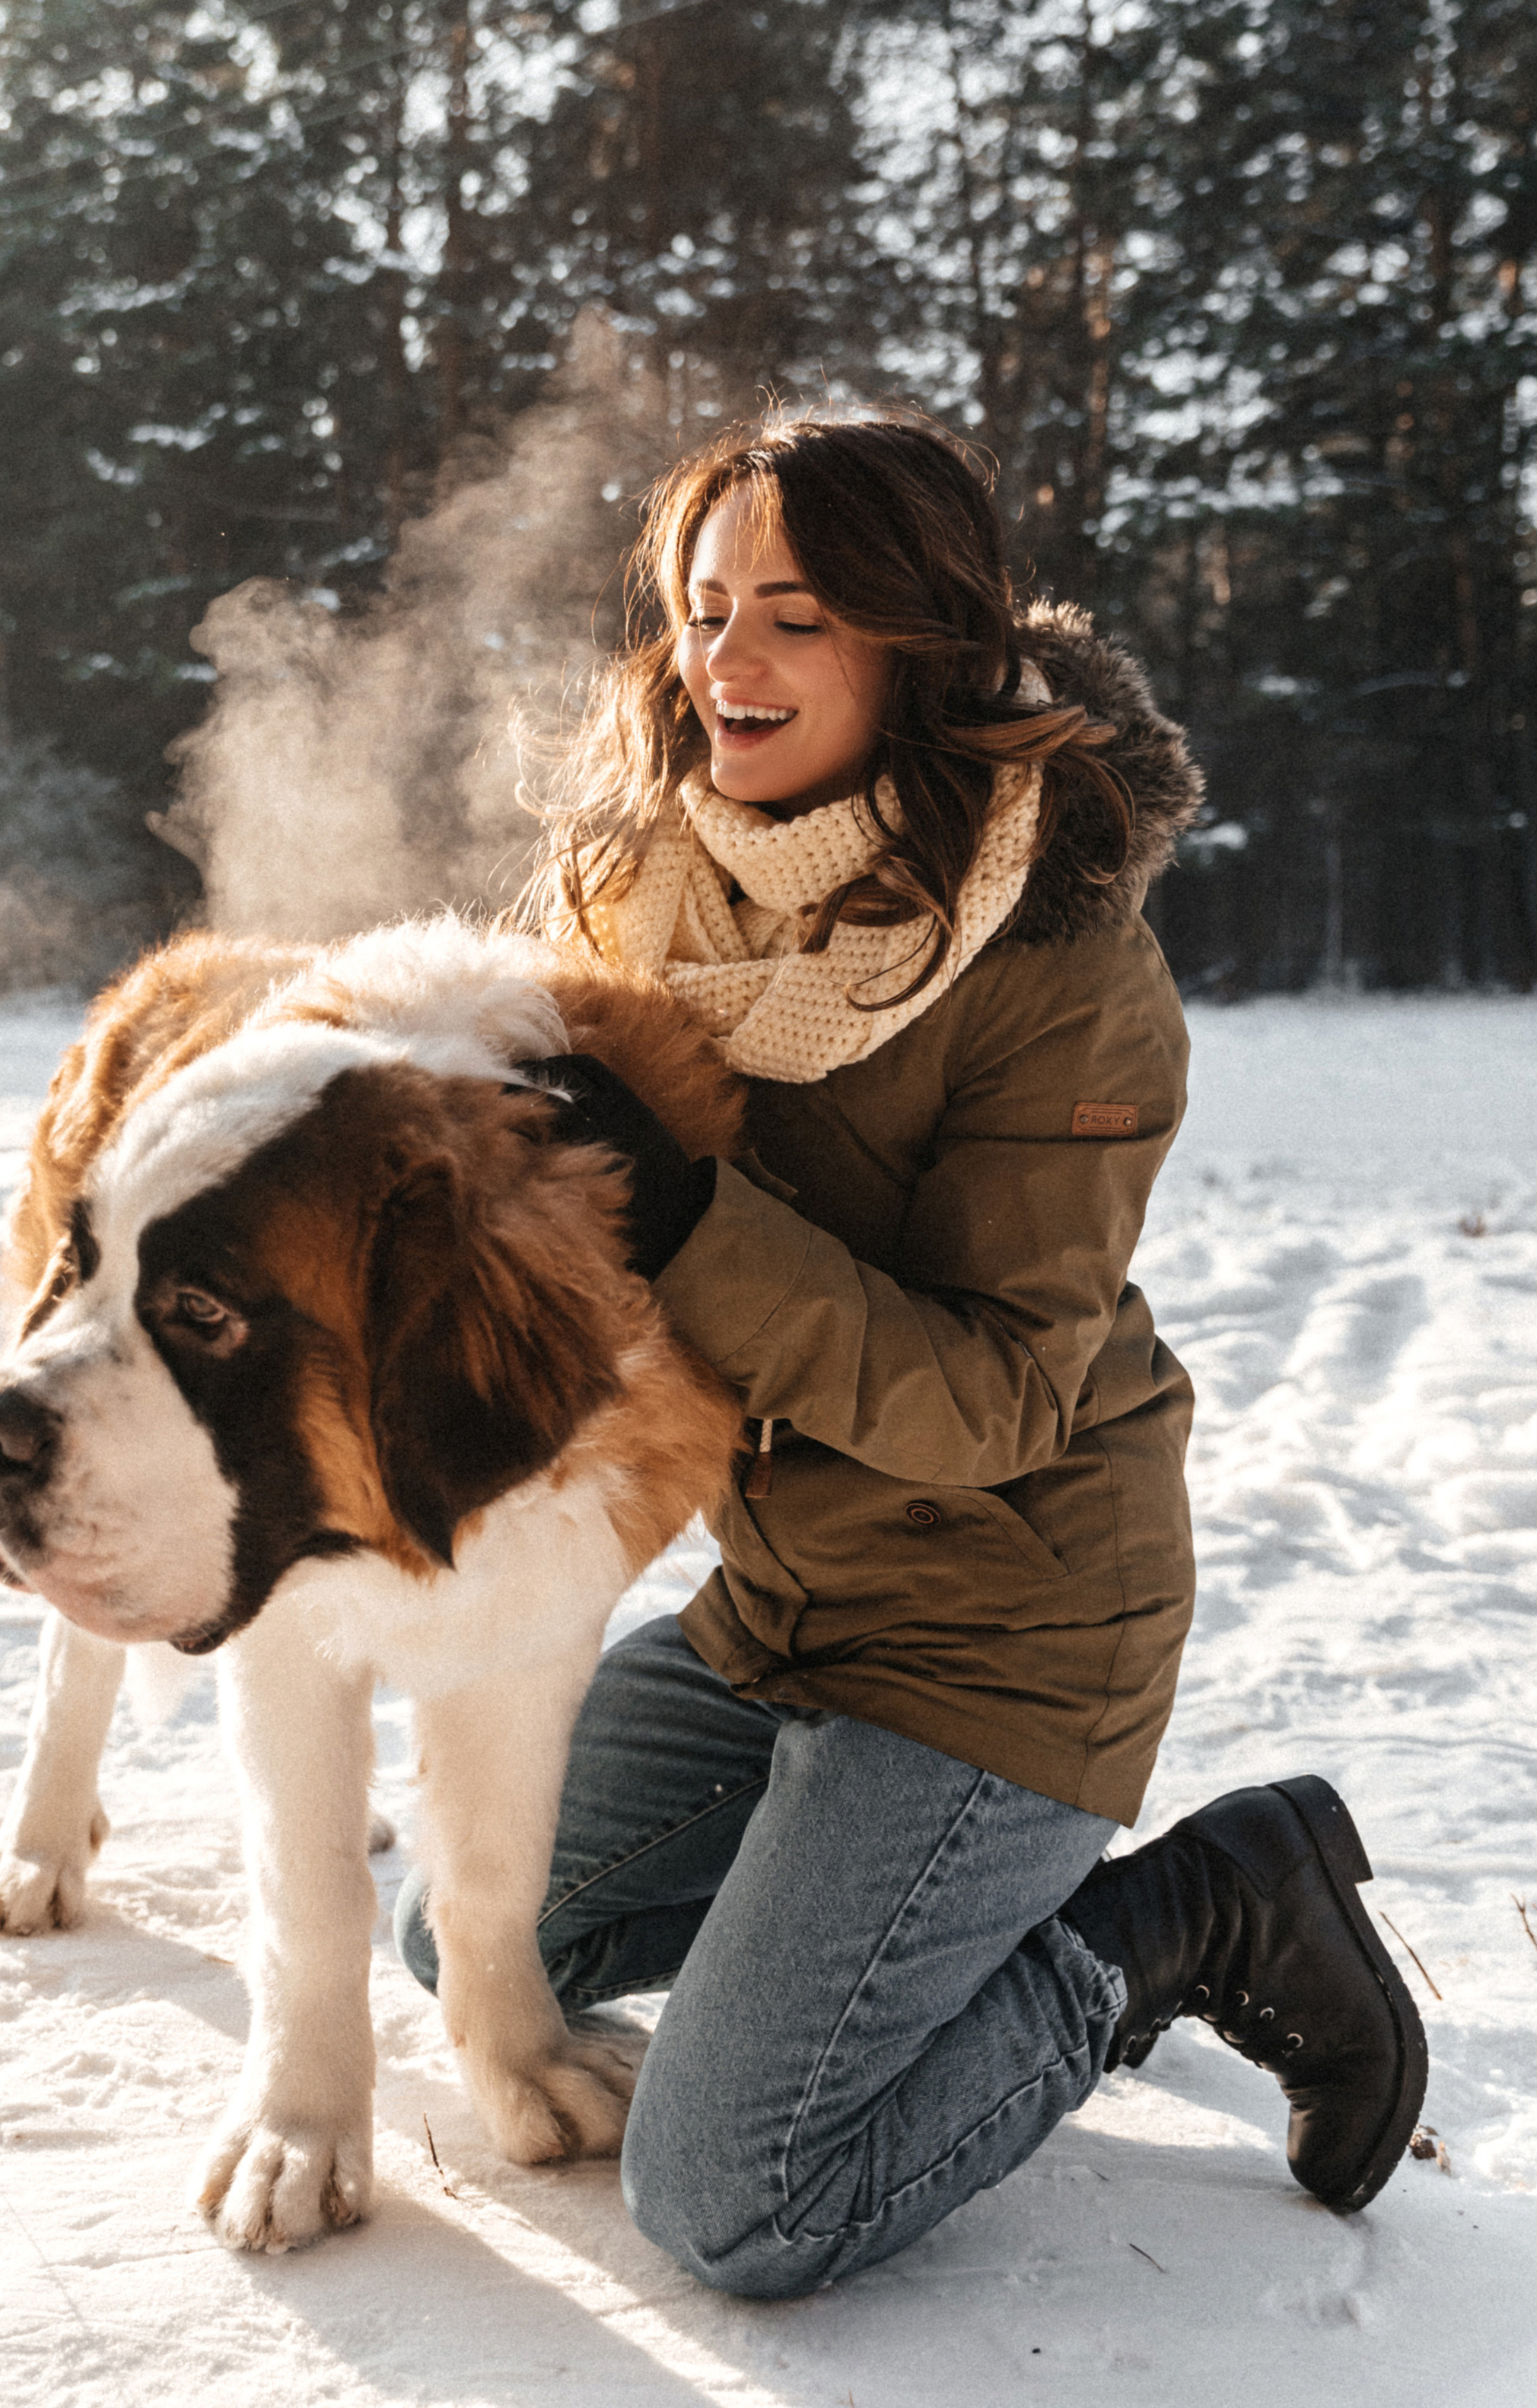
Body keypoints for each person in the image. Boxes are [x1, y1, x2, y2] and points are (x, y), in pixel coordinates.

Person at [395, 410, 1427, 2298]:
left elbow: (992, 1400)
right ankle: (874, 1922)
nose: (728, 658)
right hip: (782, 1618)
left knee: (736, 2198)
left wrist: (691, 1217)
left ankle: (1186, 1920)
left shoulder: (1057, 962)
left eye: (792, 613)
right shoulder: (656, 900)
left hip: (1003, 1634)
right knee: (458, 1940)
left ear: (917, 638)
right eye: (705, 609)